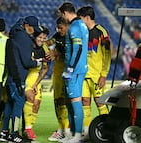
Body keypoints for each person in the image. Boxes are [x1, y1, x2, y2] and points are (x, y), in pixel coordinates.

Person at [0, 16, 42, 143]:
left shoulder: (15, 34)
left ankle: (4, 132)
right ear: (27, 25)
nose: (34, 31)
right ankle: (14, 134)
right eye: (33, 28)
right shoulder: (25, 39)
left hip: (11, 77)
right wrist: (37, 62)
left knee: (9, 104)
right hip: (18, 77)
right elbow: (27, 62)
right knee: (18, 104)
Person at [77, 6, 112, 140]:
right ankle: (86, 133)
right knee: (85, 101)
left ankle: (107, 131)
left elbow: (107, 55)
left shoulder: (101, 32)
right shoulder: (82, 32)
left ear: (87, 17)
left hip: (97, 76)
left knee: (100, 103)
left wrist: (104, 74)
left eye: (81, 19)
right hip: (84, 75)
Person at [58, 2, 89, 143]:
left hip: (74, 70)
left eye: (61, 15)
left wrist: (70, 68)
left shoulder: (75, 27)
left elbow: (78, 49)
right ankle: (71, 134)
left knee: (75, 101)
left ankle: (77, 135)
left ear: (65, 13)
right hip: (78, 68)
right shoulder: (82, 25)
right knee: (71, 102)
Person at [23, 26, 50, 140]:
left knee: (36, 104)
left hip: (35, 78)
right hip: (24, 76)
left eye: (44, 38)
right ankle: (26, 128)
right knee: (29, 97)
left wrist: (36, 83)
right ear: (35, 36)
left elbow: (45, 68)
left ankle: (28, 129)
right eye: (40, 37)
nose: (42, 40)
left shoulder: (45, 49)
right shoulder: (27, 46)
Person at [46, 17, 71, 142]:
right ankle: (61, 129)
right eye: (57, 27)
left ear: (67, 26)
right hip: (58, 71)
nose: (58, 30)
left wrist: (58, 54)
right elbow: (47, 43)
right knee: (58, 100)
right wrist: (49, 50)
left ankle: (68, 129)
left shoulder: (73, 37)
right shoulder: (57, 36)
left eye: (61, 28)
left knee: (69, 100)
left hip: (70, 71)